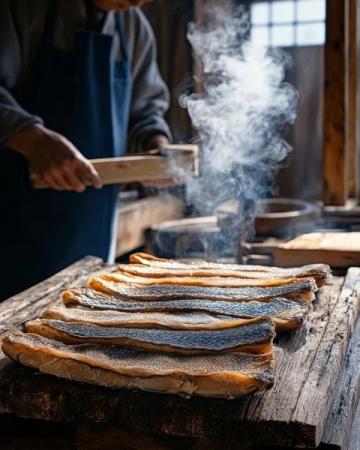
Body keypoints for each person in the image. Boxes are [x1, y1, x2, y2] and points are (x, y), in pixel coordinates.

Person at [0, 0, 172, 300]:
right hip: (15, 224)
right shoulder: (20, 10)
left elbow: (145, 111)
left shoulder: (133, 26)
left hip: (94, 220)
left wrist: (154, 143)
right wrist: (31, 139)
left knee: (78, 315)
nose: (139, 1)